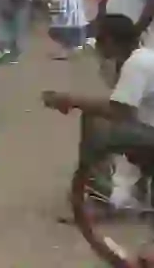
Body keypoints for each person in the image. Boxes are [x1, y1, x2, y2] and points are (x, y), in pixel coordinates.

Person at [43, 14, 150, 213]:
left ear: (109, 40)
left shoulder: (137, 64)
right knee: (96, 116)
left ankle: (100, 194)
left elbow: (118, 110)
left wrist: (70, 100)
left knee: (96, 123)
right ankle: (117, 187)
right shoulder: (139, 59)